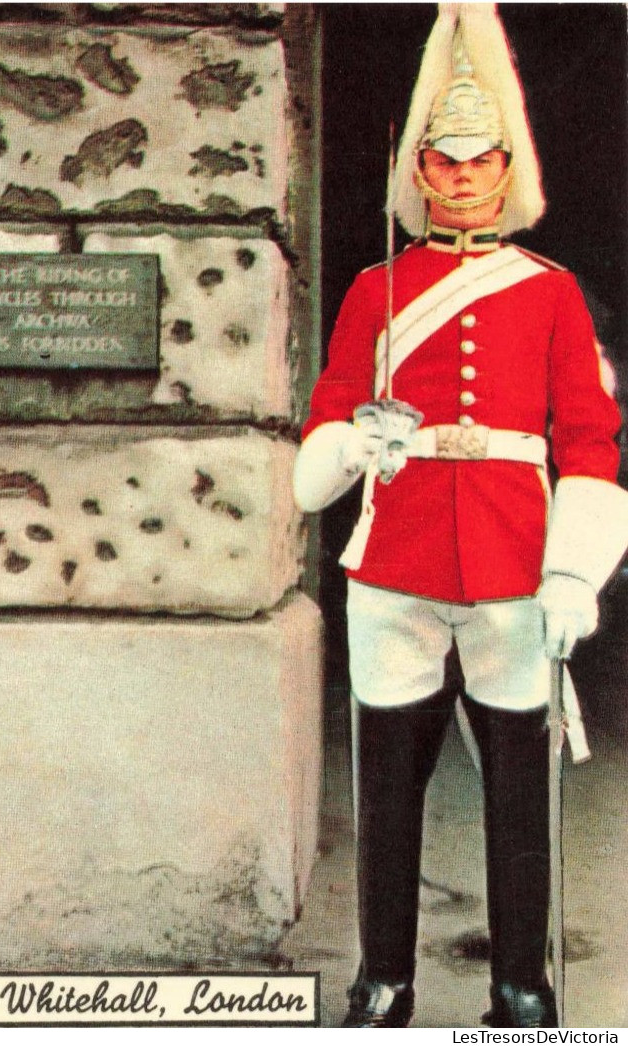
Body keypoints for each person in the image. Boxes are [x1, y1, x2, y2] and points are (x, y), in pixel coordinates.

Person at [294, 7, 628, 1029]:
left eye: (480, 160)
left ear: (505, 171)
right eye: (440, 159)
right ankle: (381, 975)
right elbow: (319, 435)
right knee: (385, 785)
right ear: (419, 171)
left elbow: (587, 438)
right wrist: (354, 442)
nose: (460, 176)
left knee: (517, 791)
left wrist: (573, 569)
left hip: (512, 562)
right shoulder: (370, 289)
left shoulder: (550, 294)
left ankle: (517, 981)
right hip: (391, 559)